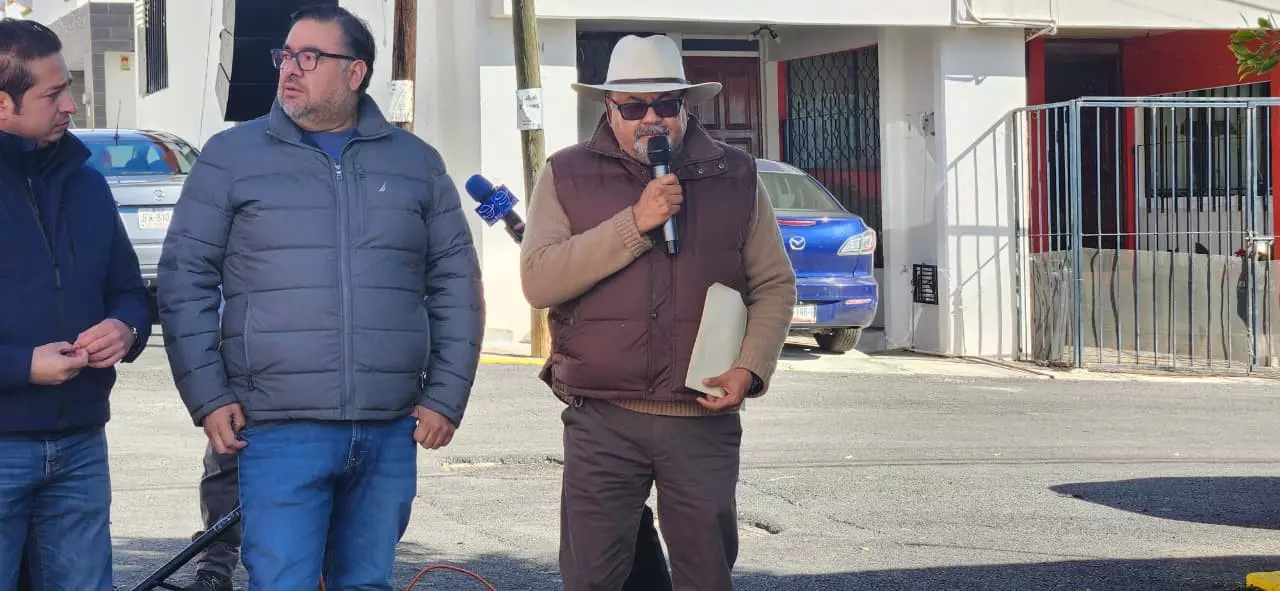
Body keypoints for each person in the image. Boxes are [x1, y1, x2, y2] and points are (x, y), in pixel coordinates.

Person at [156, 5, 484, 589]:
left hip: (388, 428)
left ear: (355, 73)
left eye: (309, 57)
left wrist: (445, 396)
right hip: (277, 427)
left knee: (366, 583)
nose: (290, 69)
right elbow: (185, 279)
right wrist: (208, 395)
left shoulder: (416, 164)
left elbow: (456, 285)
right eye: (285, 55)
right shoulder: (231, 157)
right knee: (282, 582)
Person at [520, 34, 797, 591]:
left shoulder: (736, 175)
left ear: (685, 106)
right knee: (591, 577)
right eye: (633, 107)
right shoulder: (565, 173)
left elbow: (774, 284)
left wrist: (750, 368)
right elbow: (540, 280)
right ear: (609, 108)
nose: (651, 119)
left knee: (705, 576)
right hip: (602, 416)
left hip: (701, 419)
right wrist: (635, 223)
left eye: (665, 104)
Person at [0, 17, 152, 590]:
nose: (71, 104)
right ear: (2, 105)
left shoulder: (87, 184)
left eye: (68, 88)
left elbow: (130, 290)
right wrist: (21, 366)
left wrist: (125, 328)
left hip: (81, 444)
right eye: (53, 93)